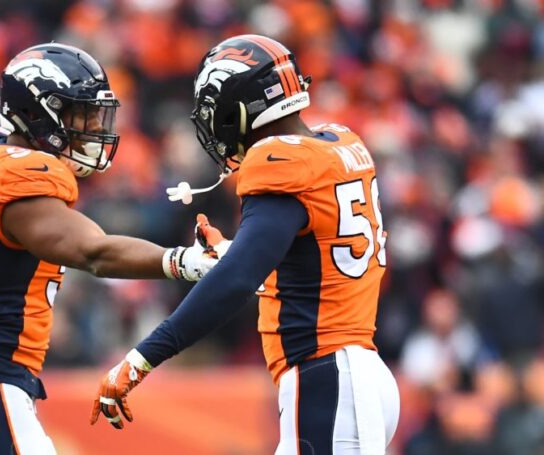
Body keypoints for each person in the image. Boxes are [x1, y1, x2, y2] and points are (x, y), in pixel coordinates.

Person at [91, 34, 400, 455]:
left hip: (329, 376)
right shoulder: (340, 143)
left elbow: (236, 281)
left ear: (241, 106)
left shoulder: (280, 161)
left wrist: (143, 357)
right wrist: (237, 249)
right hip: (352, 373)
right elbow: (309, 265)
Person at [0, 43, 221, 455]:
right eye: (81, 114)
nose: (92, 125)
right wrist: (181, 260)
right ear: (38, 112)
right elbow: (94, 252)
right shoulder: (22, 180)